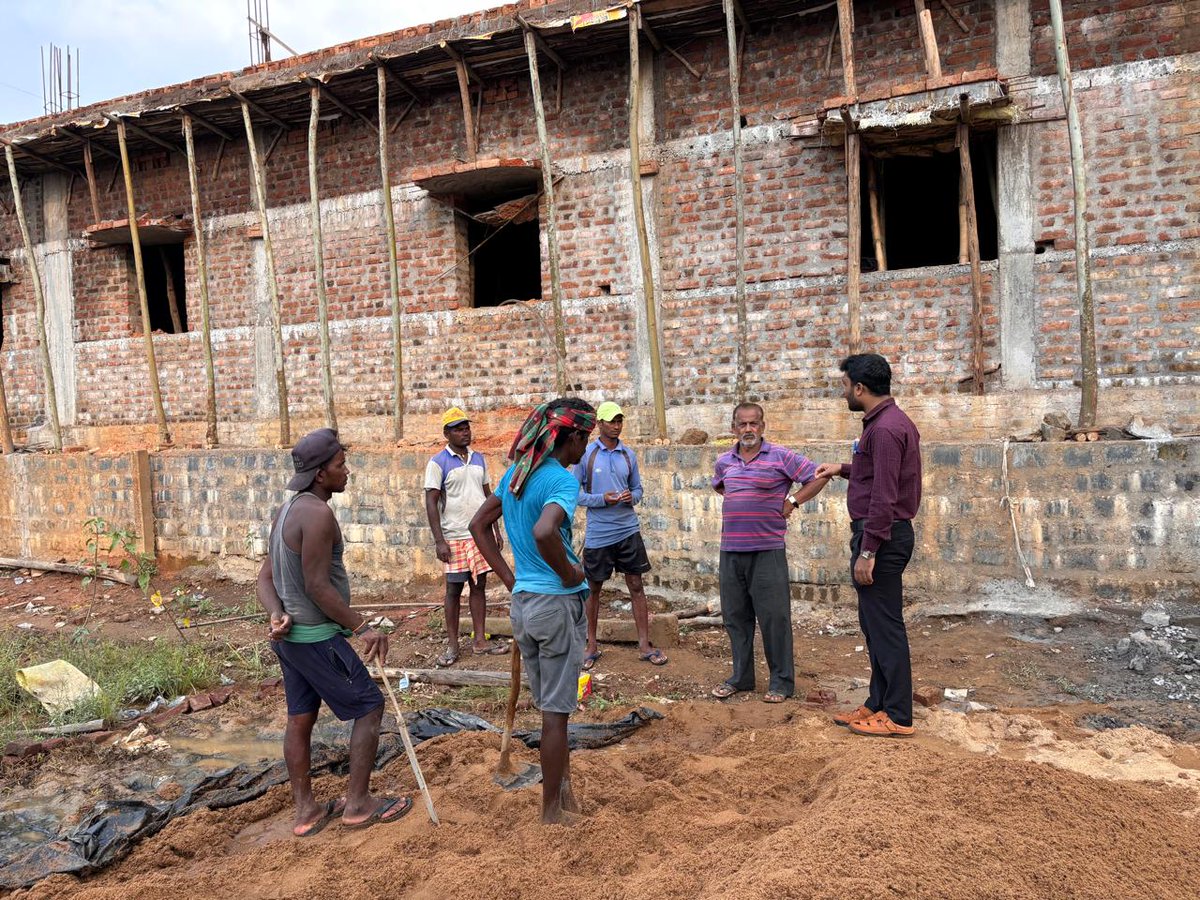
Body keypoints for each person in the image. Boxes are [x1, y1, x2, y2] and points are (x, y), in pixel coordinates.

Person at [256, 428, 410, 835]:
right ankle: (358, 805)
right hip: (317, 639)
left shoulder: (285, 511)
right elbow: (317, 587)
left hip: (289, 642)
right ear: (321, 473)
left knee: (299, 721)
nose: (347, 471)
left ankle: (306, 811)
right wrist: (363, 628)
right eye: (341, 464)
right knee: (369, 707)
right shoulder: (319, 514)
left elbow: (265, 579)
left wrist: (276, 614)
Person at [470, 398, 596, 825]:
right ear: (573, 436)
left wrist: (511, 580)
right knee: (557, 716)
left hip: (525, 605)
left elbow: (478, 525)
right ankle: (552, 813)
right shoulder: (561, 481)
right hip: (557, 605)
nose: (586, 448)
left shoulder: (517, 476)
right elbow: (545, 531)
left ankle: (563, 796)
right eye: (587, 437)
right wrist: (569, 572)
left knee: (549, 711)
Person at [816, 354, 922, 737]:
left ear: (859, 388)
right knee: (873, 625)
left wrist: (868, 551)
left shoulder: (886, 429)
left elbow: (884, 493)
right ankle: (878, 703)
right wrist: (842, 469)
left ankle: (898, 716)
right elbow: (876, 472)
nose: (843, 392)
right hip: (880, 534)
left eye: (845, 385)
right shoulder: (883, 425)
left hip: (883, 537)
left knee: (886, 626)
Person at [710, 402, 830, 703]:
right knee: (736, 617)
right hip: (731, 551)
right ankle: (742, 677)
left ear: (762, 426)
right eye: (742, 424)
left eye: (754, 424)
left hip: (768, 551)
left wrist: (792, 501)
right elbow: (721, 487)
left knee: (774, 618)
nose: (748, 429)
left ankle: (781, 682)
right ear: (733, 429)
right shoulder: (725, 461)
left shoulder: (781, 456)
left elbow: (819, 476)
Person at [574, 401, 665, 669]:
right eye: (611, 421)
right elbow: (575, 494)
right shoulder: (586, 455)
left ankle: (644, 644)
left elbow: (638, 490)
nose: (616, 426)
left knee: (636, 586)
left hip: (628, 530)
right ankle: (590, 645)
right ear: (599, 424)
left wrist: (630, 497)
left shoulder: (628, 455)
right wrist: (602, 499)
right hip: (599, 535)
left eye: (619, 421)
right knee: (593, 589)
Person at [424, 406, 506, 667]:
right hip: (454, 536)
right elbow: (431, 502)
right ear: (446, 433)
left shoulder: (479, 459)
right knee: (453, 589)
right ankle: (452, 645)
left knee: (479, 586)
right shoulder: (438, 463)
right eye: (458, 429)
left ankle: (480, 641)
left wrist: (495, 529)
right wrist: (439, 540)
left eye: (466, 427)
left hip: (479, 535)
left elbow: (488, 495)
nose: (465, 432)